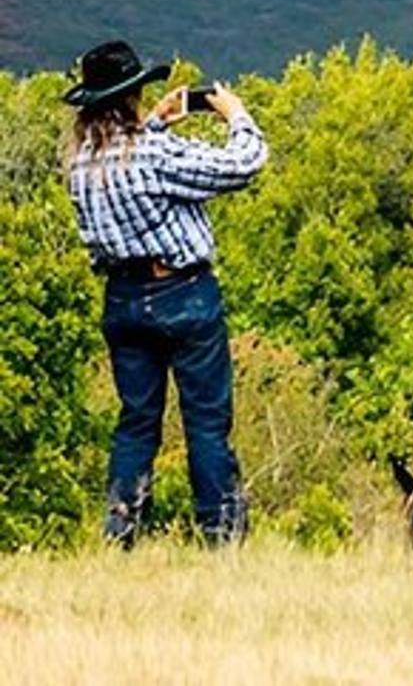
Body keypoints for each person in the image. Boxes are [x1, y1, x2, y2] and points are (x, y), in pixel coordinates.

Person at [63, 40, 268, 547]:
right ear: (132, 94)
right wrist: (236, 114)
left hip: (123, 299)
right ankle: (221, 537)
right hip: (182, 294)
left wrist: (154, 122)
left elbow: (130, 170)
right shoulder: (154, 152)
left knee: (136, 424)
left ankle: (121, 531)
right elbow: (242, 165)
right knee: (205, 423)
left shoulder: (80, 163)